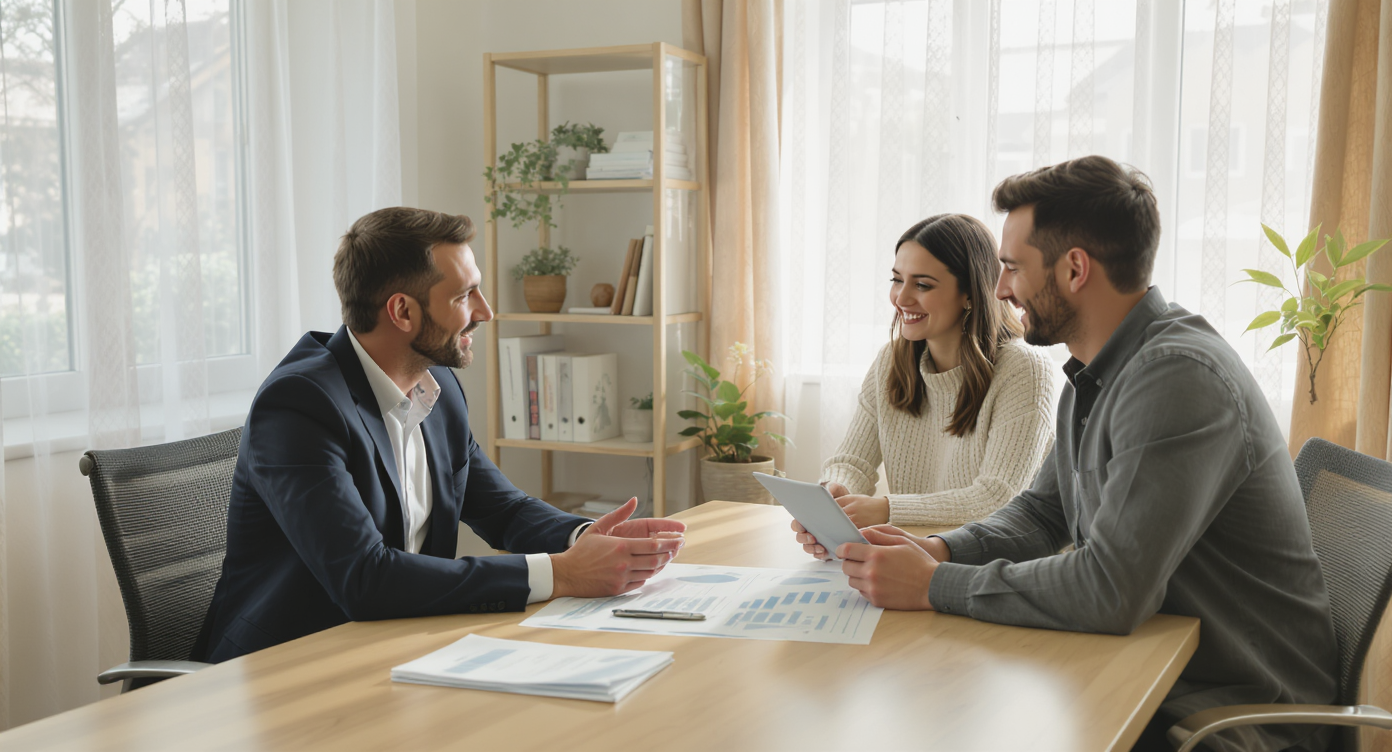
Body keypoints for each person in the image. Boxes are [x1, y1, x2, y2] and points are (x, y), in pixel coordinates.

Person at [799, 157, 1337, 752]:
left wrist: (935, 585)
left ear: (1075, 268)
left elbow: (1109, 588)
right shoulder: (1098, 374)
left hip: (1235, 714)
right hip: (1158, 671)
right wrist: (939, 548)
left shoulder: (1176, 379)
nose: (1000, 288)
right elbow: (1040, 515)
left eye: (1012, 268)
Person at [194, 207, 684, 662]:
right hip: (290, 665)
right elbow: (364, 578)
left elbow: (502, 508)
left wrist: (584, 537)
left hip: (396, 647)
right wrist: (563, 573)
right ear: (402, 312)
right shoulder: (301, 406)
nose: (486, 311)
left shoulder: (438, 386)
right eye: (463, 295)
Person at [817, 214, 1055, 528]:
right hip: (915, 553)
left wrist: (885, 510)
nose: (901, 299)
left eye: (922, 285)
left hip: (993, 566)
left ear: (970, 292)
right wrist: (835, 496)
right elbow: (851, 463)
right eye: (897, 280)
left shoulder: (1023, 369)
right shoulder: (891, 362)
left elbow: (997, 498)